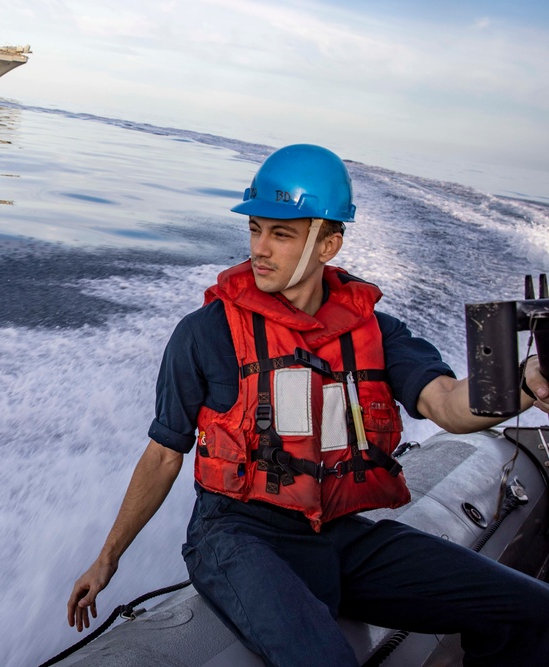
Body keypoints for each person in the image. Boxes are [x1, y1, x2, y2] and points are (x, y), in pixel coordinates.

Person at [66, 144, 549, 666]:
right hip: (235, 534)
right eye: (255, 229)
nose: (259, 249)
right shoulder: (205, 333)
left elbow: (448, 405)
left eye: (282, 233)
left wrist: (529, 379)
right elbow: (164, 454)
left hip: (338, 534)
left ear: (329, 244)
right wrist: (107, 558)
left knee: (529, 609)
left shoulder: (376, 332)